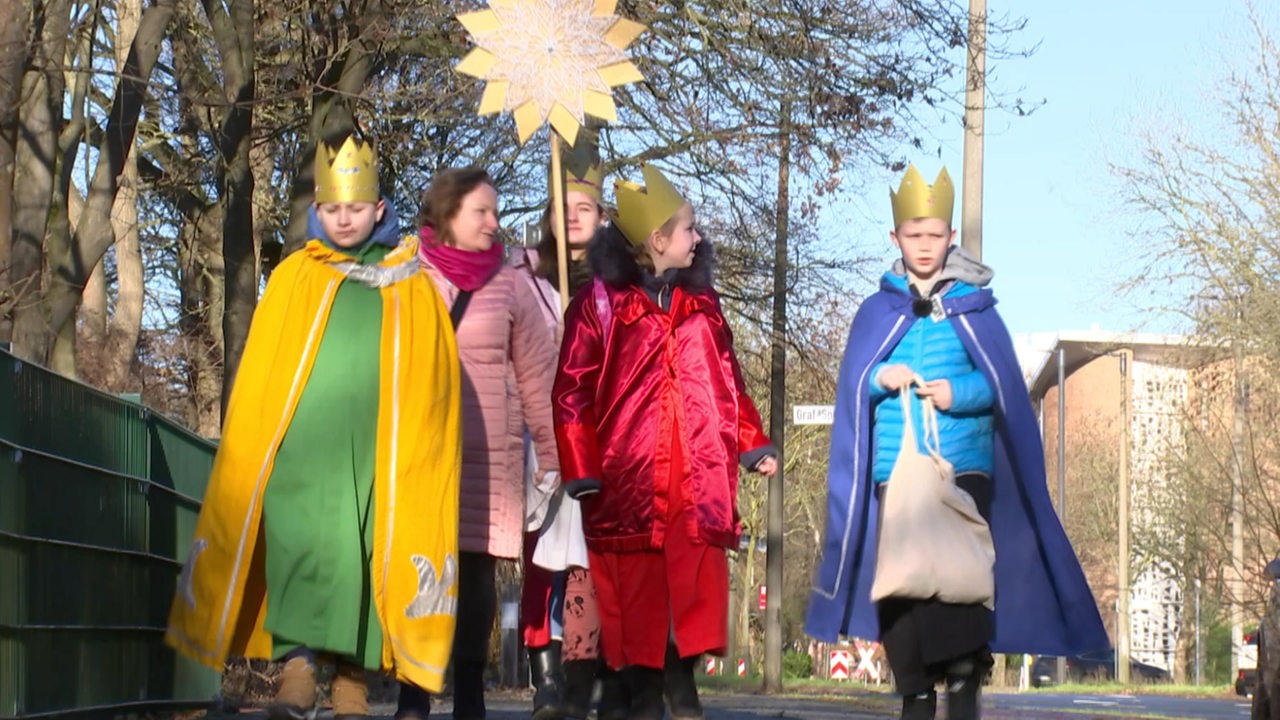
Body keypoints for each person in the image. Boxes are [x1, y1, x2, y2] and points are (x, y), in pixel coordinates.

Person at [166, 130, 463, 720]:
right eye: (333, 209)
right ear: (317, 211)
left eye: (356, 209)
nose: (345, 219)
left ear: (378, 209)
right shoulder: (296, 276)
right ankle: (298, 668)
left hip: (381, 450)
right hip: (302, 448)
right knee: (299, 546)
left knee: (363, 553)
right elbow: (264, 370)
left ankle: (351, 681)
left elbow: (435, 380)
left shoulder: (412, 284)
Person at [804, 165, 1108, 720]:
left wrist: (956, 393)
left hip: (963, 464)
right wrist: (880, 378)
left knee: (957, 577)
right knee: (903, 585)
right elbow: (856, 382)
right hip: (894, 472)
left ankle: (966, 675)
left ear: (950, 237)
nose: (925, 246)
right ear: (895, 239)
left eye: (935, 234)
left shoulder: (976, 308)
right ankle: (916, 689)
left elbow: (1000, 386)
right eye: (914, 235)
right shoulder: (877, 312)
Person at [553, 164, 778, 720]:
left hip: (694, 478)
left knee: (690, 592)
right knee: (637, 599)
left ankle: (679, 680)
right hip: (626, 480)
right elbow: (571, 391)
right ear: (658, 240)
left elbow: (728, 382)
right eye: (687, 229)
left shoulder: (703, 307)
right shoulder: (601, 307)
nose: (697, 238)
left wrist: (753, 443)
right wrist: (579, 464)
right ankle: (641, 694)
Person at [396, 167, 562, 720]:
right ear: (447, 218)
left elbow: (538, 374)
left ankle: (470, 697)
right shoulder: (407, 276)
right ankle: (413, 695)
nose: (494, 222)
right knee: (419, 573)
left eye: (496, 211)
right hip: (422, 451)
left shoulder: (512, 283)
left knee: (475, 581)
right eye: (481, 212)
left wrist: (552, 452)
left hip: (489, 454)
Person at [511, 145, 621, 720]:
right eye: (564, 206)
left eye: (586, 207)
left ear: (602, 218)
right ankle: (544, 674)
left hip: (595, 431)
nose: (574, 216)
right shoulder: (524, 276)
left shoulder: (613, 285)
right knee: (541, 556)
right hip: (536, 430)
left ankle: (583, 669)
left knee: (587, 556)